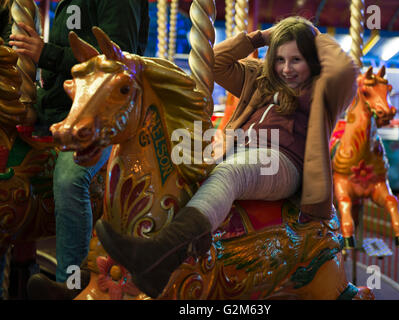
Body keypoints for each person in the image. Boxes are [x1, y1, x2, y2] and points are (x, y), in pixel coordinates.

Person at [95, 16, 358, 298]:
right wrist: (258, 38)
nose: (286, 68)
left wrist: (311, 36)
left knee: (230, 173)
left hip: (282, 161)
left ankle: (160, 254)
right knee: (178, 163)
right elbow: (213, 62)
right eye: (280, 59)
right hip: (237, 147)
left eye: (296, 60)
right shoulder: (259, 78)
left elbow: (346, 68)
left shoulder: (321, 89)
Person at [8, 0, 149, 299]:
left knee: (69, 178)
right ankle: (24, 265)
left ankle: (70, 285)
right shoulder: (67, 4)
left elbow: (116, 58)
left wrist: (45, 52)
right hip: (56, 116)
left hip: (100, 121)